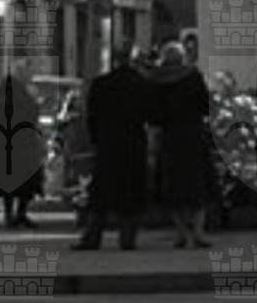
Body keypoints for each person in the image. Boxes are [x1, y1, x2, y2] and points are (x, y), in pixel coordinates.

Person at [76, 43, 151, 250]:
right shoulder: (142, 84)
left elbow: (91, 116)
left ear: (115, 60)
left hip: (107, 142)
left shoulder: (101, 84)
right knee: (131, 190)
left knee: (101, 191)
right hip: (133, 142)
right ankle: (127, 239)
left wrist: (96, 139)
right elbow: (151, 114)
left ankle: (92, 238)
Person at [146, 40, 217, 247]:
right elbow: (206, 105)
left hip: (171, 137)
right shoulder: (193, 76)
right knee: (198, 184)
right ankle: (198, 232)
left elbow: (154, 114)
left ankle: (181, 233)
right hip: (194, 135)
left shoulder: (157, 80)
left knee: (174, 186)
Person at [0, 72, 45, 228]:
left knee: (10, 182)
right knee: (26, 182)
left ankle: (11, 215)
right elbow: (33, 115)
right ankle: (20, 213)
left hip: (7, 146)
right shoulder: (24, 98)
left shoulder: (1, 100)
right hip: (22, 145)